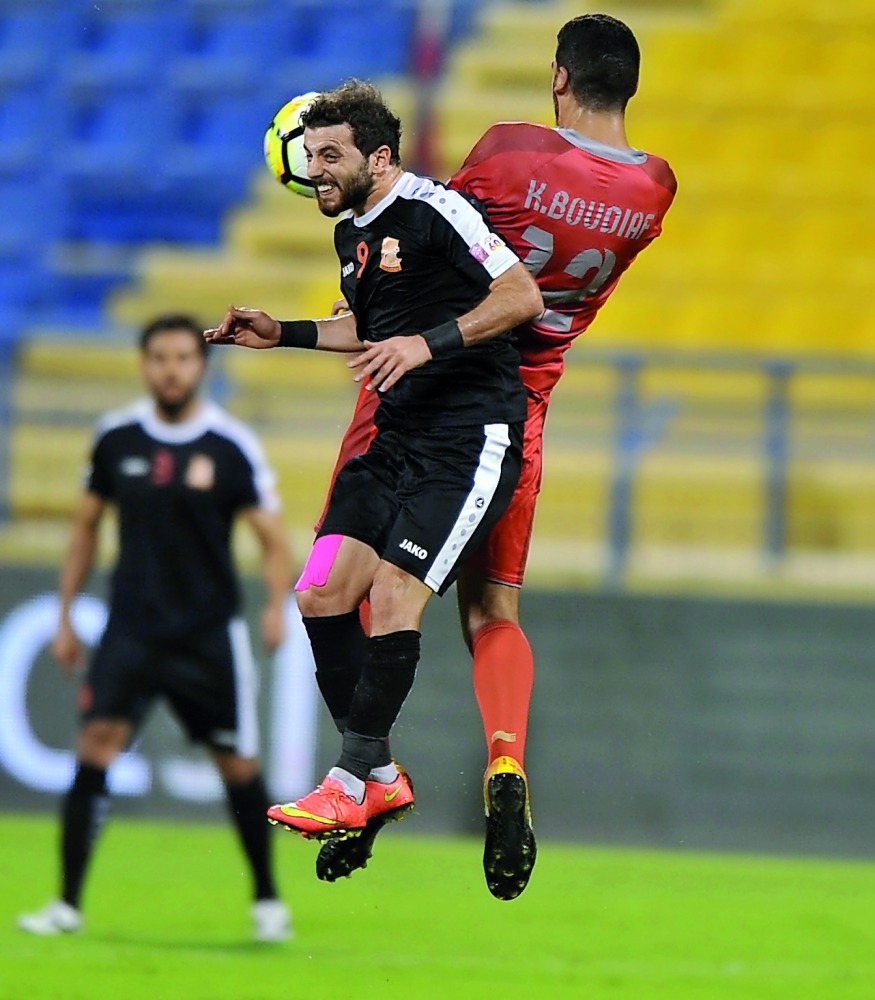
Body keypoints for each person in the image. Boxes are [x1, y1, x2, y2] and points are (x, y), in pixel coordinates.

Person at [312, 13, 677, 900]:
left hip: (426, 390)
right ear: (628, 87)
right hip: (524, 411)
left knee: (338, 583)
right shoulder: (655, 189)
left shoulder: (512, 150)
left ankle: (364, 776)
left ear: (558, 77)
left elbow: (420, 233)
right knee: (493, 609)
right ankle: (505, 759)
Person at [205, 82, 542, 855]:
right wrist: (281, 332)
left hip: (468, 441)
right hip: (395, 440)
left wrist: (427, 345)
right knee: (320, 589)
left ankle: (350, 779)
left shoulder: (436, 210)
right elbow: (366, 327)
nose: (313, 170)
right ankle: (379, 775)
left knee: (393, 593)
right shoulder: (350, 233)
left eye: (330, 155)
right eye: (309, 156)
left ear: (380, 157)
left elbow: (520, 295)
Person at [17, 315, 294, 942]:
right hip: (133, 627)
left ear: (202, 366)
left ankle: (267, 899)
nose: (171, 370)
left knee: (237, 764)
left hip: (206, 631)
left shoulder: (230, 445)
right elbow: (86, 528)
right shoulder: (116, 438)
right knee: (95, 747)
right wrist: (65, 616)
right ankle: (66, 903)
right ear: (144, 365)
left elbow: (272, 538)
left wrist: (277, 605)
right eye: (160, 358)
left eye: (183, 358)